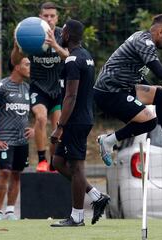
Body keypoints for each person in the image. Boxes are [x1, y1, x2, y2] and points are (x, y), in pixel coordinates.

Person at [93, 13, 162, 166]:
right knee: (149, 122)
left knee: (160, 94)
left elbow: (134, 72)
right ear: (160, 32)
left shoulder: (141, 37)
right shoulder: (145, 43)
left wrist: (151, 88)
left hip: (122, 87)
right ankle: (108, 141)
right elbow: (160, 72)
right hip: (109, 92)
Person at [49, 19, 110, 227]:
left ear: (66, 35)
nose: (60, 35)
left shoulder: (73, 60)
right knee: (57, 162)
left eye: (62, 32)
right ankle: (95, 195)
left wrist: (60, 127)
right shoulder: (87, 57)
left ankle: (77, 217)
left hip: (75, 121)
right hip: (82, 118)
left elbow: (71, 97)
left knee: (76, 168)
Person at [11, 1, 69, 172]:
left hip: (58, 89)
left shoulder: (63, 36)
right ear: (40, 18)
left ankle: (53, 162)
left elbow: (69, 57)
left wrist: (55, 45)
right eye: (46, 16)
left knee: (59, 127)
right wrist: (17, 46)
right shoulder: (31, 34)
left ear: (57, 19)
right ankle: (42, 160)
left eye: (52, 16)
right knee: (41, 118)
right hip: (39, 88)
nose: (49, 19)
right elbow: (15, 61)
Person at [0, 57, 34, 220]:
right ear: (16, 66)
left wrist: (33, 129)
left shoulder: (28, 88)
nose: (30, 67)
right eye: (27, 64)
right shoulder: (1, 87)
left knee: (16, 174)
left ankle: (10, 211)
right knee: (4, 172)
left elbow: (35, 112)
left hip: (22, 141)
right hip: (5, 139)